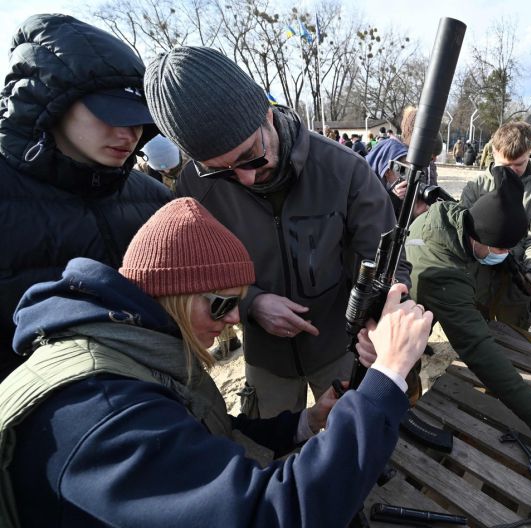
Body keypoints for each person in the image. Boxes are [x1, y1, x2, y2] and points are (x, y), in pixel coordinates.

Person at [0, 197, 432, 527]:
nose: (232, 321)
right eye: (223, 304)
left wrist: (305, 424)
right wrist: (388, 374)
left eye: (238, 305)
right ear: (174, 295)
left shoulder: (130, 348)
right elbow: (273, 516)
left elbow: (199, 433)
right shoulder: (105, 410)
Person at [144, 46, 408, 419]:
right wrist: (251, 302)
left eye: (251, 154)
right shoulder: (193, 187)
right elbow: (191, 279)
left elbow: (389, 265)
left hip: (340, 349)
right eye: (223, 171)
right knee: (272, 450)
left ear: (267, 115)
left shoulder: (344, 169)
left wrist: (379, 323)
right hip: (266, 361)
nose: (247, 177)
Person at [0, 14, 171, 380]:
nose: (129, 133)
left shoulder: (154, 199)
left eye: (137, 117)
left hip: (158, 406)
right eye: (110, 112)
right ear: (53, 100)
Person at [400, 176, 531, 485]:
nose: (501, 253)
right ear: (480, 237)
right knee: (401, 386)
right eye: (499, 248)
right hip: (398, 325)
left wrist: (511, 267)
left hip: (425, 299)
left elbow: (489, 247)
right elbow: (479, 351)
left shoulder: (458, 219)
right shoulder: (442, 271)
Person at [460, 122, 531, 330]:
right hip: (477, 279)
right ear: (494, 152)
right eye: (505, 166)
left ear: (529, 153)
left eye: (519, 164)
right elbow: (461, 231)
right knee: (473, 333)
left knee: (513, 336)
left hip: (516, 283)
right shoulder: (477, 186)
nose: (513, 172)